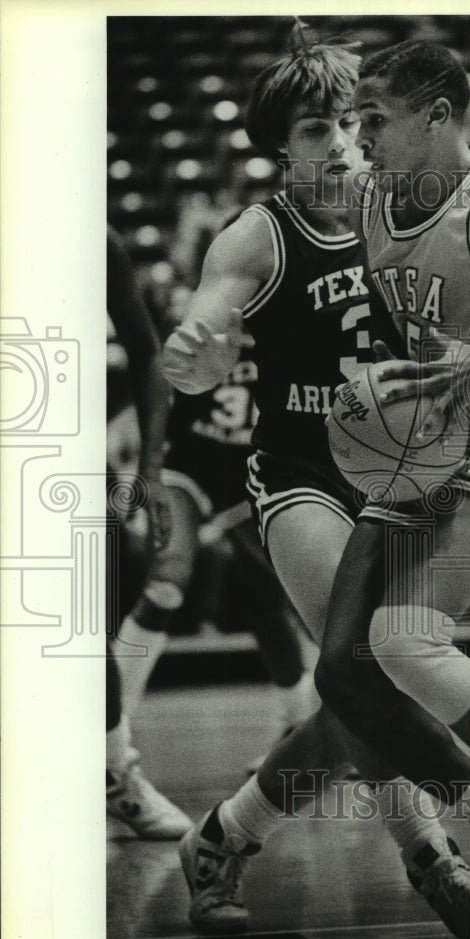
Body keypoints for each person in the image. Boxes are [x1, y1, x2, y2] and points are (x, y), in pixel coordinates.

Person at [163, 28, 470, 939]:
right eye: (315, 128)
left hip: (399, 479)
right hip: (301, 481)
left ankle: (222, 839)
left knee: (359, 689)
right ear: (281, 145)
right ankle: (443, 859)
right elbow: (204, 330)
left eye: (350, 125)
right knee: (365, 667)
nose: (338, 144)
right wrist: (196, 356)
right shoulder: (259, 232)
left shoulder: (402, 213)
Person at [112, 246, 318, 790]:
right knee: (167, 584)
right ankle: (111, 735)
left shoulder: (292, 316)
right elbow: (155, 381)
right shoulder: (192, 310)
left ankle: (298, 725)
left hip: (251, 478)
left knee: (267, 604)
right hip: (189, 470)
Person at [106, 226, 190, 839]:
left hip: (60, 458)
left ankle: (113, 772)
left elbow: (146, 350)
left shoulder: (92, 237)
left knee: (88, 631)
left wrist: (151, 473)